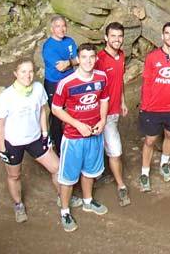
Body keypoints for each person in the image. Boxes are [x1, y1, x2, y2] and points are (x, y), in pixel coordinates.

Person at [0, 59, 80, 223]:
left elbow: (42, 112)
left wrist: (45, 133)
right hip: (13, 142)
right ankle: (18, 205)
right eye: (23, 71)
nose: (28, 75)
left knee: (57, 167)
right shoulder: (5, 97)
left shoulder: (38, 88)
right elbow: (0, 126)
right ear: (15, 73)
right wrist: (2, 149)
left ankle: (62, 195)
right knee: (14, 175)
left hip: (35, 138)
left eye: (30, 71)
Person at [51, 43, 110, 232]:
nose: (88, 61)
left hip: (94, 134)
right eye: (83, 57)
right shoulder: (67, 83)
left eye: (91, 57)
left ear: (96, 58)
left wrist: (102, 120)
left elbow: (104, 100)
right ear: (78, 59)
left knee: (89, 172)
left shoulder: (102, 77)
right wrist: (77, 125)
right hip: (74, 137)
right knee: (68, 177)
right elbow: (55, 108)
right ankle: (65, 211)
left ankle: (87, 201)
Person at [138, 21, 170, 192]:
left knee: (169, 135)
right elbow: (146, 83)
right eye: (167, 33)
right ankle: (144, 172)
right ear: (162, 36)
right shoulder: (152, 57)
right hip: (153, 107)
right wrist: (144, 106)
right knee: (150, 140)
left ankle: (164, 163)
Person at [95, 22, 131, 207]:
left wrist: (123, 101)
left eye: (120, 36)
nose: (117, 40)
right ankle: (120, 185)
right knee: (115, 150)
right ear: (106, 38)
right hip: (101, 114)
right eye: (113, 36)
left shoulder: (121, 55)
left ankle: (103, 174)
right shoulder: (99, 59)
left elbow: (120, 80)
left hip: (115, 109)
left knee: (107, 144)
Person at [41, 15, 77, 154]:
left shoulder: (70, 41)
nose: (61, 29)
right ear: (52, 29)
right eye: (58, 26)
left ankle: (72, 139)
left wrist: (69, 62)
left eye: (63, 26)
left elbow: (78, 59)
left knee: (72, 110)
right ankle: (58, 146)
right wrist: (72, 62)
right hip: (54, 84)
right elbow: (60, 67)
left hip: (69, 82)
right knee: (57, 114)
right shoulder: (48, 47)